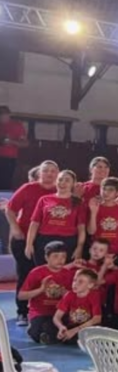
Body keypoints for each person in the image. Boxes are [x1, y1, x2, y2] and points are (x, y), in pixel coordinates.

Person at [6, 161, 57, 325]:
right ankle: (22, 311)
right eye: (46, 171)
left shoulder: (61, 189)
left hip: (47, 240)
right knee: (25, 273)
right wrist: (15, 228)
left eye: (53, 171)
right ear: (39, 173)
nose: (49, 174)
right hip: (23, 238)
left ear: (58, 173)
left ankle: (45, 311)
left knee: (49, 274)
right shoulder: (28, 188)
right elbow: (9, 209)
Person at [0, 106, 28, 189]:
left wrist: (12, 142)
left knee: (5, 182)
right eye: (1, 115)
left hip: (9, 158)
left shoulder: (17, 125)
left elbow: (25, 143)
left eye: (4, 114)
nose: (2, 117)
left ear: (9, 114)